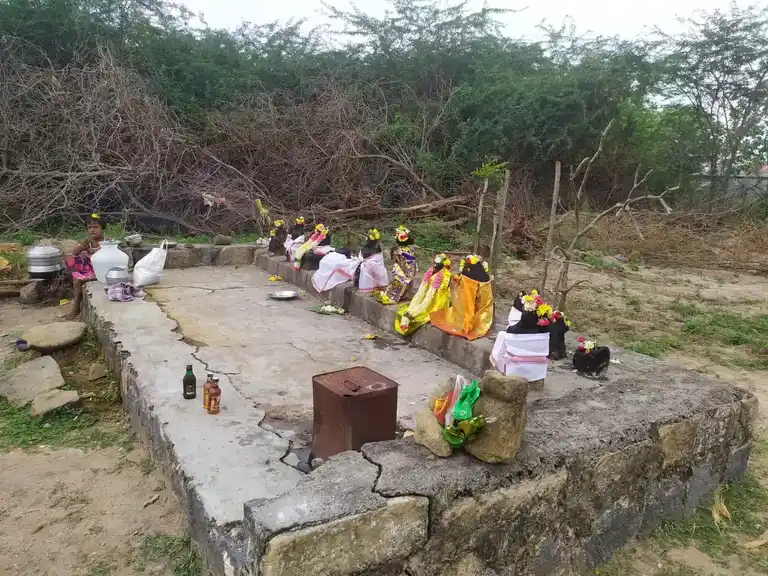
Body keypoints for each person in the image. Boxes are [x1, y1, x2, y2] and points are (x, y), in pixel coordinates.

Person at [430, 254, 494, 341]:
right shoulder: (480, 274)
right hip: (478, 298)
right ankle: (469, 322)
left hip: (472, 295)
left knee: (469, 306)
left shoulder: (469, 273)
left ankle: (469, 323)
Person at [394, 253, 451, 336]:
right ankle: (409, 315)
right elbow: (423, 286)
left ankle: (410, 316)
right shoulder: (432, 269)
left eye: (437, 264)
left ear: (443, 265)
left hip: (437, 299)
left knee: (422, 311)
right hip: (427, 294)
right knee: (416, 302)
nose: (435, 265)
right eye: (434, 263)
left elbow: (440, 291)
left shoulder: (446, 275)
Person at [65, 213, 104, 319]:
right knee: (71, 260)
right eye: (89, 228)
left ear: (102, 228)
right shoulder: (88, 242)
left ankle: (76, 308)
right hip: (91, 270)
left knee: (78, 281)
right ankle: (76, 306)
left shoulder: (106, 243)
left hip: (102, 272)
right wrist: (82, 246)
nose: (92, 230)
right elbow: (74, 253)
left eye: (95, 227)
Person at [374, 225, 417, 305]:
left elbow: (395, 261)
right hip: (411, 270)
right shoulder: (411, 249)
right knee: (408, 282)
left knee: (399, 282)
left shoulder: (399, 251)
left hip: (402, 271)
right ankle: (405, 295)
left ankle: (394, 296)